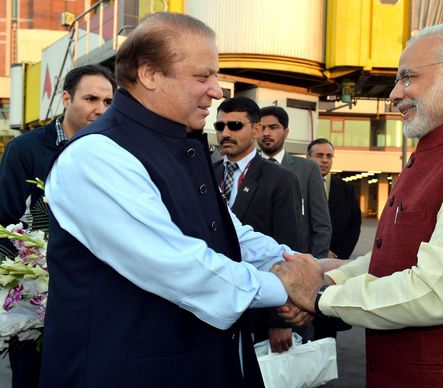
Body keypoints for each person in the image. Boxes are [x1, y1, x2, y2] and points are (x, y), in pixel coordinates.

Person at [38, 13, 320, 388]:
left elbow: (234, 237)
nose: (217, 90)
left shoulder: (179, 145)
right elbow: (177, 265)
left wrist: (303, 265)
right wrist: (287, 287)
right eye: (203, 76)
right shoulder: (97, 156)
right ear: (150, 74)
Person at [274, 23, 443, 387]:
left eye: (408, 77)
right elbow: (401, 255)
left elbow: (434, 292)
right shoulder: (436, 149)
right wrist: (326, 274)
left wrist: (320, 296)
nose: (395, 93)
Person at [0, 63, 114, 388]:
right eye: (91, 99)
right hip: (36, 308)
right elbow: (4, 222)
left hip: (96, 304)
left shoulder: (114, 152)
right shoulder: (26, 149)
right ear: (66, 98)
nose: (100, 109)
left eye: (108, 102)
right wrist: (22, 288)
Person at [213, 96, 303, 352]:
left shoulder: (281, 179)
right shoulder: (207, 173)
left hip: (259, 311)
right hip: (213, 306)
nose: (225, 133)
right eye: (220, 127)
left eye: (234, 126)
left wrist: (280, 320)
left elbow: (288, 248)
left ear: (255, 129)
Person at [258, 106, 332, 258]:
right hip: (255, 262)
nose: (266, 133)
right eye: (262, 127)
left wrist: (315, 264)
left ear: (286, 132)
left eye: (273, 127)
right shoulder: (247, 168)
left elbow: (321, 224)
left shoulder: (307, 169)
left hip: (296, 260)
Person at [307, 138, 361, 260]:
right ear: (308, 157)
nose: (325, 160)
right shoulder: (295, 183)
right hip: (303, 256)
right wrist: (317, 251)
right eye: (319, 156)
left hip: (334, 259)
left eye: (329, 156)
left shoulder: (346, 189)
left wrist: (337, 253)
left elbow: (354, 225)